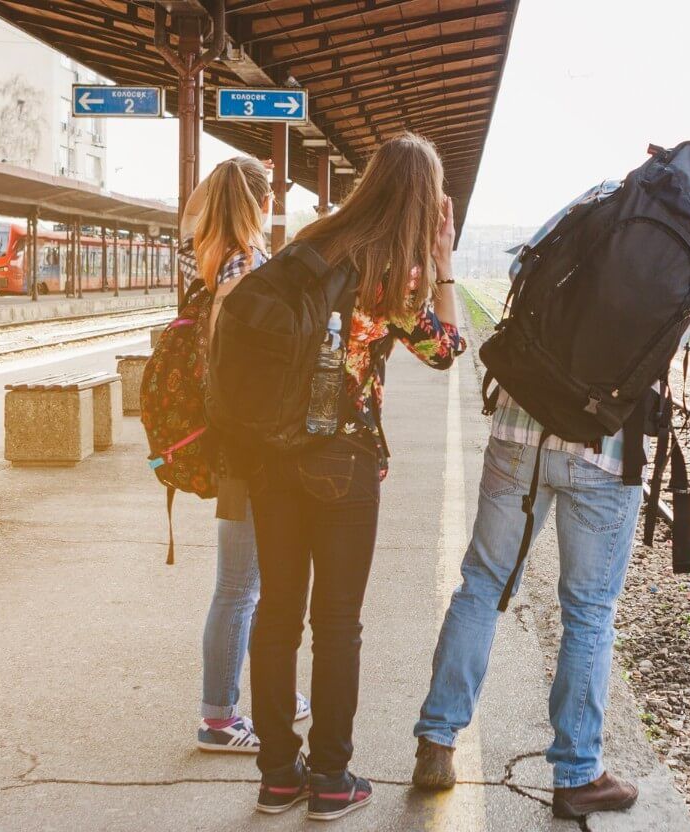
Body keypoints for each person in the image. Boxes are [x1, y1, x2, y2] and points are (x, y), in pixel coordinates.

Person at [412, 125, 690, 819]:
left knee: (484, 583)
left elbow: (530, 260)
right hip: (605, 444)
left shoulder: (618, 192)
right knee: (588, 611)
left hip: (522, 418)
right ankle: (576, 772)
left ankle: (436, 739)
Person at [246, 134, 465, 820]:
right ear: (426, 203)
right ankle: (331, 779)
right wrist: (443, 263)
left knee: (276, 613)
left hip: (271, 453)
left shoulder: (313, 241)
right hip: (344, 462)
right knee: (336, 623)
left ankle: (278, 774)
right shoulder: (394, 271)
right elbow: (447, 351)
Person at [180, 156, 313, 754]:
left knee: (245, 583)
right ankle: (217, 716)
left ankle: (266, 695)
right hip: (250, 445)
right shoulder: (253, 268)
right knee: (239, 586)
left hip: (232, 437)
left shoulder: (213, 259)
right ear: (264, 207)